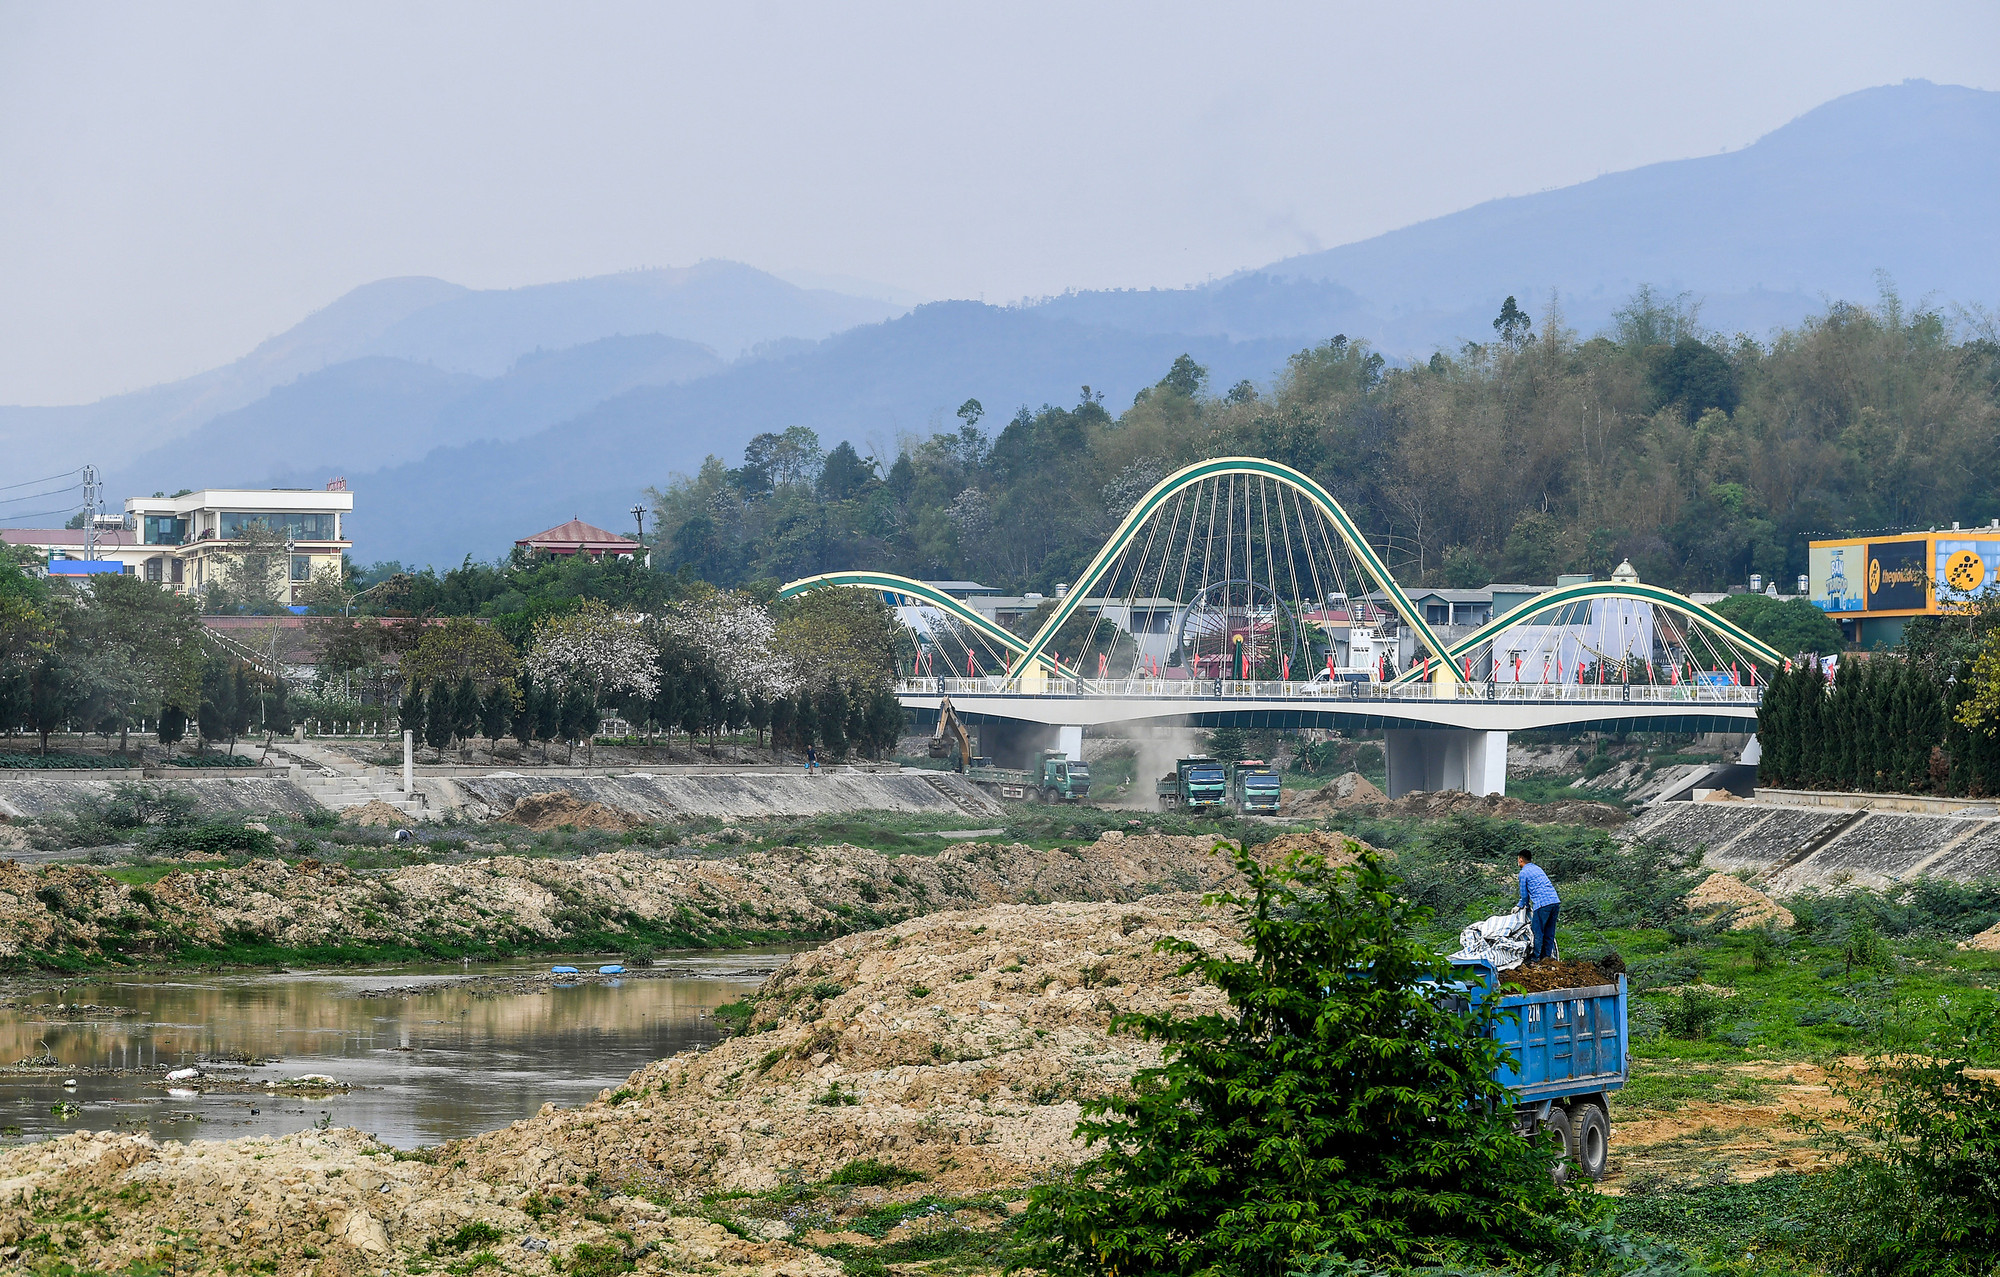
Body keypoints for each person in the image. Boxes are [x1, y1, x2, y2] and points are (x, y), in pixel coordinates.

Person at [1517, 848, 1560, 963]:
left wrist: (1520, 906)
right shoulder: (1538, 869)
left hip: (1542, 904)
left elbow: (1524, 895)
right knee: (1549, 932)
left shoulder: (1523, 873)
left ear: (1520, 860)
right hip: (1555, 901)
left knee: (1538, 931)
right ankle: (1547, 958)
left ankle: (1535, 959)